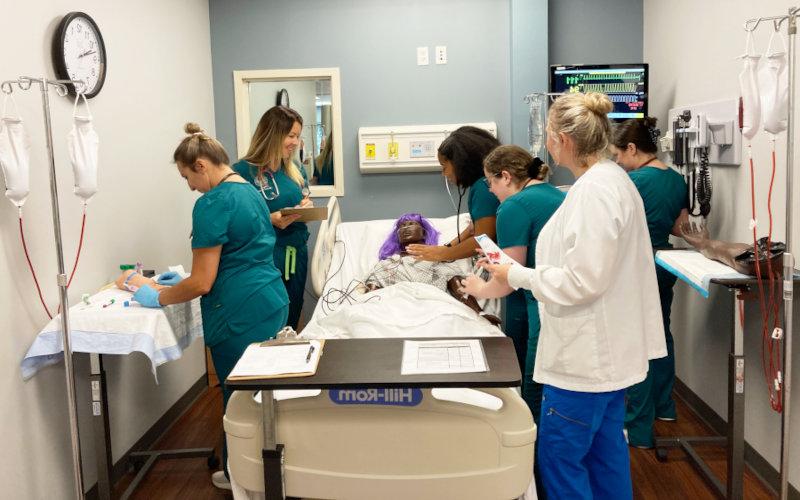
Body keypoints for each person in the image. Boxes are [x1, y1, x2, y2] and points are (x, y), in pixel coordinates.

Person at [471, 93, 666, 500]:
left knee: (561, 460)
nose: (545, 143)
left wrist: (515, 274)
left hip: (585, 362)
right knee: (604, 455)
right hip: (606, 357)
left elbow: (583, 280)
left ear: (563, 139)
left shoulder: (595, 191)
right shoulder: (609, 181)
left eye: (547, 135)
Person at [132, 123, 289, 490]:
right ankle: (265, 471)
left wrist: (155, 295)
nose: (189, 186)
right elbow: (238, 252)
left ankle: (244, 479)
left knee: (239, 399)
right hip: (270, 299)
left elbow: (203, 282)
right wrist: (179, 280)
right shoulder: (249, 191)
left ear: (201, 165)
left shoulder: (212, 204)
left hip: (239, 313)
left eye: (187, 176)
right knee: (263, 395)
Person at [459, 145, 564, 423]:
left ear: (505, 176)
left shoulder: (513, 207)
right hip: (564, 297)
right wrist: (497, 257)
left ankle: (532, 458)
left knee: (533, 386)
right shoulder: (556, 195)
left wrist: (476, 288)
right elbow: (532, 250)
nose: (491, 190)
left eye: (491, 182)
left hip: (544, 304)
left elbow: (510, 278)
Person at [404, 126, 526, 363]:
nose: (444, 174)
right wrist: (445, 250)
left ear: (460, 162)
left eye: (444, 166)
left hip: (514, 274)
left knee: (521, 341)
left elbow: (484, 238)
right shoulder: (483, 185)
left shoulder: (483, 186)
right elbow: (474, 228)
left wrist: (440, 254)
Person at [611, 117, 688, 448]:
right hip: (665, 262)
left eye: (617, 155)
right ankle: (664, 407)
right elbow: (680, 226)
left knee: (636, 342)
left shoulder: (633, 182)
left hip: (637, 266)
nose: (617, 163)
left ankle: (638, 428)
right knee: (660, 334)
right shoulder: (676, 179)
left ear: (631, 148)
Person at [233, 106, 312, 330]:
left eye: (298, 136)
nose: (296, 142)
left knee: (293, 311)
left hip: (296, 254)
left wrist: (306, 208)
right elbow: (235, 219)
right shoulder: (242, 172)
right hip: (264, 257)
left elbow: (304, 195)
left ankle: (289, 362)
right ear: (273, 134)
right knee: (267, 318)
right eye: (291, 136)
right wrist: (269, 218)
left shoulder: (294, 168)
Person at [364, 213, 500, 324]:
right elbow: (371, 298)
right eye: (402, 226)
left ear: (424, 233)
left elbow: (459, 288)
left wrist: (479, 312)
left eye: (411, 224)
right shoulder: (386, 264)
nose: (405, 228)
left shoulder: (438, 261)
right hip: (398, 312)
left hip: (435, 310)